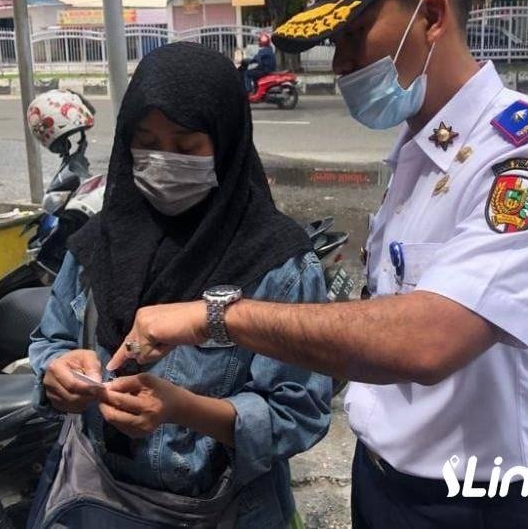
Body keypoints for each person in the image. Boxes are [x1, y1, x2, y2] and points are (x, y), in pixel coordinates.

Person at [106, 0, 528, 529]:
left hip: (475, 504)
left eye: (355, 33)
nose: (339, 63)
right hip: (382, 480)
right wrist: (515, 400)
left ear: (430, 17)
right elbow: (397, 319)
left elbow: (427, 339)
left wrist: (215, 316)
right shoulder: (417, 153)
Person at [28, 42, 331, 528]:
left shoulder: (277, 264)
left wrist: (187, 411)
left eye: (186, 147)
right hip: (103, 497)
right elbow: (51, 340)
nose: (162, 161)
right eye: (145, 143)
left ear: (226, 144)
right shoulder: (97, 243)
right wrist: (58, 372)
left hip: (225, 510)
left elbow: (301, 411)